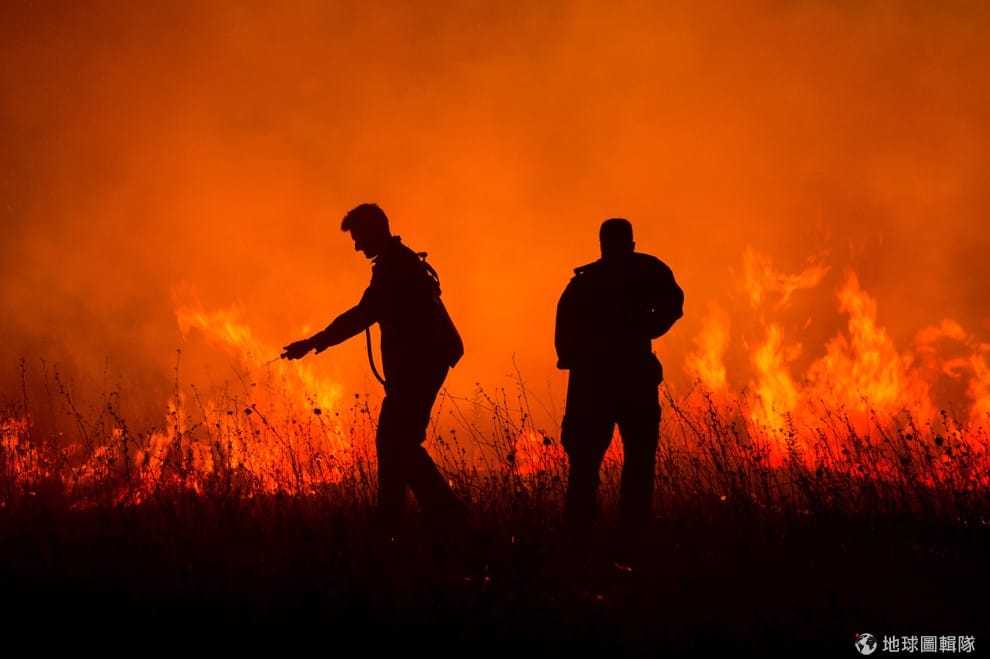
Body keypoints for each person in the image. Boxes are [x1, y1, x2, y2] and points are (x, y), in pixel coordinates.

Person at [281, 202, 468, 542]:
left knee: (399, 442)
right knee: (395, 442)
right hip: (418, 366)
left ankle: (439, 516)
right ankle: (399, 519)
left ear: (374, 230)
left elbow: (363, 314)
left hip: (418, 368)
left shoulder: (395, 267)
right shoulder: (399, 262)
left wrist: (314, 341)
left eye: (358, 237)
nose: (356, 246)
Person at [554, 217, 684, 556]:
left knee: (585, 466)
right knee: (637, 462)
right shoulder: (646, 271)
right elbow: (674, 304)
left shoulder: (583, 285)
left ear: (602, 245)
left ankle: (580, 541)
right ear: (631, 244)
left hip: (593, 386)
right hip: (633, 381)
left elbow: (564, 343)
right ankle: (631, 539)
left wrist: (585, 361)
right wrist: (648, 329)